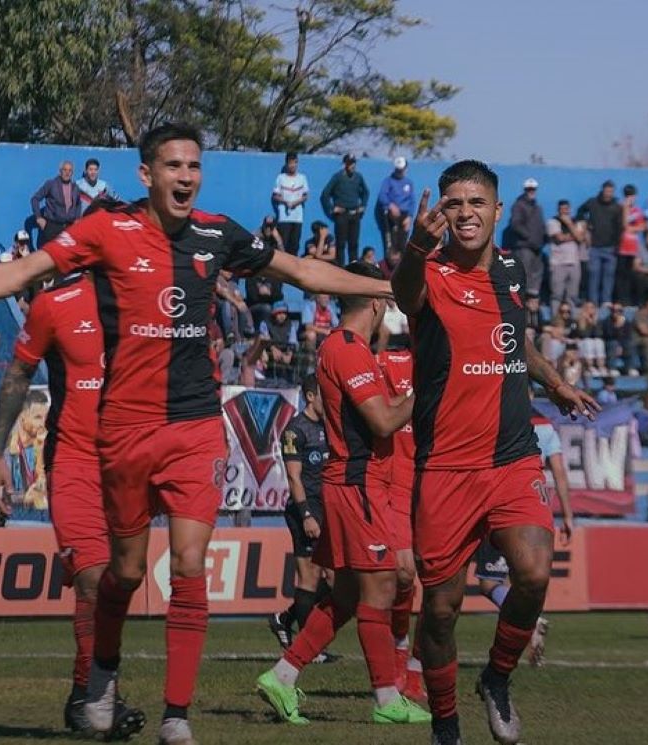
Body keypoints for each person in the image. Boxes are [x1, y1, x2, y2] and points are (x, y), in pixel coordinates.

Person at [0, 121, 393, 745]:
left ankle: (176, 716)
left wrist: (386, 284)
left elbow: (303, 271)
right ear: (147, 174)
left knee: (190, 564)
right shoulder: (107, 232)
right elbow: (24, 269)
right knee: (126, 573)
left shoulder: (217, 233)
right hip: (124, 434)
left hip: (194, 427)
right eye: (173, 166)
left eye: (194, 165)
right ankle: (102, 672)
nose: (186, 176)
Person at [389, 160, 598, 745]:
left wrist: (554, 382)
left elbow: (515, 340)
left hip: (511, 457)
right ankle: (446, 724)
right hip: (447, 467)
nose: (465, 213)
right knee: (440, 612)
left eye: (476, 202)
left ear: (497, 210)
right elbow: (404, 294)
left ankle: (498, 679)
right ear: (442, 214)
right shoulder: (427, 272)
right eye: (453, 203)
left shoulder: (513, 268)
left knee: (533, 572)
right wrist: (413, 249)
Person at [255, 262, 430, 726]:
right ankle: (388, 698)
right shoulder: (348, 350)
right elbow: (384, 421)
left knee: (349, 595)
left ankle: (283, 674)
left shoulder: (346, 348)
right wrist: (423, 386)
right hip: (357, 484)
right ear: (375, 302)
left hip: (352, 483)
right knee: (380, 586)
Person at [0, 271, 145, 739]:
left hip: (126, 466)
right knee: (94, 580)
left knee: (117, 586)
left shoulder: (146, 303)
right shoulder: (55, 303)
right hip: (72, 462)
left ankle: (83, 696)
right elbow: (18, 375)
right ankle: (98, 701)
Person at [472, 399, 575, 669]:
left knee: (489, 583)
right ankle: (525, 629)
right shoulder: (546, 427)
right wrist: (568, 515)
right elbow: (560, 475)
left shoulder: (502, 417)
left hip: (504, 505)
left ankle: (529, 623)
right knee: (524, 581)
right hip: (535, 509)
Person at [268, 375, 333, 653]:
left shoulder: (329, 427)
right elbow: (294, 478)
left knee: (336, 583)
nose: (328, 399)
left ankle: (285, 618)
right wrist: (306, 514)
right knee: (309, 577)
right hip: (305, 509)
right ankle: (308, 650)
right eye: (323, 394)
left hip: (328, 508)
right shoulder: (295, 431)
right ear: (309, 396)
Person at [375, 343, 423, 701]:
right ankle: (399, 643)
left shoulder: (454, 360)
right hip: (400, 483)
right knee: (404, 572)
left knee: (441, 585)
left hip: (440, 481)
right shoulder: (384, 362)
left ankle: (418, 670)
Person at [576, 180, 623, 306]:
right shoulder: (592, 203)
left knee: (609, 276)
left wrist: (617, 246)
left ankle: (606, 301)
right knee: (594, 275)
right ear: (602, 190)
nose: (608, 194)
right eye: (607, 191)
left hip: (611, 248)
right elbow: (580, 212)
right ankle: (593, 302)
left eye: (611, 192)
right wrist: (585, 228)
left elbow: (620, 228)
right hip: (594, 247)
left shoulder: (617, 207)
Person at [320, 153, 370, 265]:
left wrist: (363, 206)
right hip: (342, 214)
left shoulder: (358, 177)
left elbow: (366, 192)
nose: (352, 165)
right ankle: (340, 268)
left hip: (354, 214)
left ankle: (354, 268)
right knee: (341, 244)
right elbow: (325, 194)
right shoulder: (338, 177)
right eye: (349, 163)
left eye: (354, 163)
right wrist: (332, 209)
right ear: (345, 164)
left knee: (353, 244)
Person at [31, 161, 82, 246]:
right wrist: (39, 218)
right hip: (52, 226)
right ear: (60, 171)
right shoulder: (51, 184)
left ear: (72, 173)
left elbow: (78, 204)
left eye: (70, 170)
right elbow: (35, 199)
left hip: (69, 227)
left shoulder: (75, 187)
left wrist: (77, 218)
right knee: (51, 255)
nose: (67, 173)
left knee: (67, 254)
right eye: (65, 170)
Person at [509, 177, 545, 296]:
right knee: (523, 275)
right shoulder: (519, 205)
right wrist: (529, 237)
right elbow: (515, 224)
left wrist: (543, 238)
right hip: (524, 247)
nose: (531, 191)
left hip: (536, 247)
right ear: (525, 190)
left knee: (535, 276)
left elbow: (540, 225)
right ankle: (521, 301)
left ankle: (532, 301)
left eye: (533, 189)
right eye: (529, 189)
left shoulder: (537, 207)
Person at [546, 199, 583, 305]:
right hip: (558, 263)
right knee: (557, 295)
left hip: (574, 263)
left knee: (573, 296)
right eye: (562, 209)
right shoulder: (552, 222)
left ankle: (572, 320)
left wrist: (569, 223)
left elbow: (580, 238)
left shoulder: (575, 222)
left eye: (566, 209)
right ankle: (555, 320)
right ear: (558, 210)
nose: (564, 211)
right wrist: (574, 235)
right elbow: (559, 238)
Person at [272, 152, 309, 256]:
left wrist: (296, 202)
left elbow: (305, 196)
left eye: (295, 162)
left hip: (297, 218)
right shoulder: (281, 178)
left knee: (295, 245)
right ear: (287, 164)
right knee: (283, 245)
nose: (293, 165)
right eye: (291, 163)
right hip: (284, 218)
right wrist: (286, 202)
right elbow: (275, 196)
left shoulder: (302, 178)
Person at [377, 156, 416, 254]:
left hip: (404, 216)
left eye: (401, 170)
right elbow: (382, 196)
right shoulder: (388, 181)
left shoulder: (409, 183)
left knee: (403, 244)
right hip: (391, 217)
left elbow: (412, 201)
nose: (400, 172)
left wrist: (409, 217)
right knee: (391, 245)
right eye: (398, 170)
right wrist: (390, 205)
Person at [617, 184, 646, 306]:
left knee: (632, 275)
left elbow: (642, 226)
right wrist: (625, 209)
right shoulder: (619, 208)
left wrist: (632, 228)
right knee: (621, 276)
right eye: (628, 195)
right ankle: (622, 300)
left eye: (632, 195)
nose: (630, 198)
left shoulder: (637, 211)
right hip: (621, 248)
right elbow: (623, 225)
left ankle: (632, 300)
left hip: (633, 247)